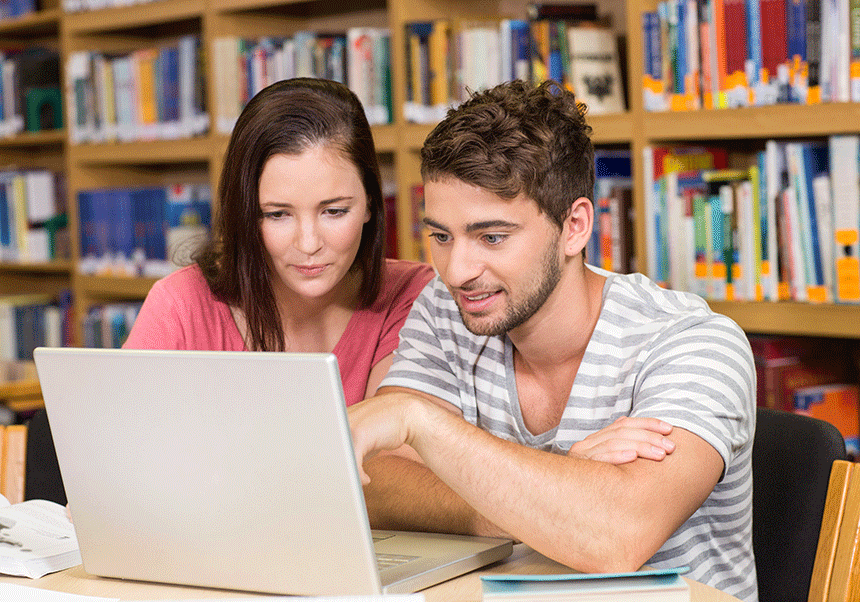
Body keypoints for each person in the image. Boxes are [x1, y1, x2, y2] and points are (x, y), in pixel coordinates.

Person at [348, 80, 757, 602]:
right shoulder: (447, 310)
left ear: (575, 226)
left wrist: (421, 424)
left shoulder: (693, 343)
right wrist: (555, 492)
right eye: (442, 236)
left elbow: (615, 535)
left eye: (492, 237)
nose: (456, 270)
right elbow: (375, 483)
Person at [122, 78, 434, 406]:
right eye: (278, 215)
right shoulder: (181, 305)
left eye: (334, 211)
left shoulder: (412, 296)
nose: (309, 243)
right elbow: (118, 441)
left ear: (371, 202)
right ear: (245, 213)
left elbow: (393, 452)